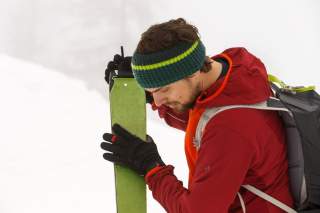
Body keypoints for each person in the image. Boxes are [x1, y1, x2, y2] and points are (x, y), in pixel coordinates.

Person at [101, 18, 294, 212]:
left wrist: (151, 167)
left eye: (163, 89)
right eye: (152, 91)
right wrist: (151, 94)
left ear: (192, 72)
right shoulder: (233, 74)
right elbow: (203, 116)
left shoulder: (231, 128)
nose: (158, 101)